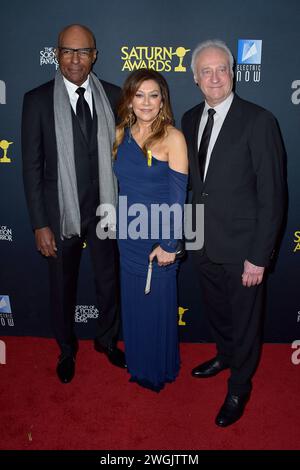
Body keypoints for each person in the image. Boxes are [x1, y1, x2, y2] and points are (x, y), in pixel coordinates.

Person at [181, 40, 285, 426]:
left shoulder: (259, 121)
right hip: (203, 242)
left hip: (244, 248)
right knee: (218, 313)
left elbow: (272, 196)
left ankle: (240, 385)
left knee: (244, 320)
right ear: (195, 79)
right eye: (205, 71)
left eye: (221, 69)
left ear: (233, 73)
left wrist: (259, 255)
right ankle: (225, 356)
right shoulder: (190, 119)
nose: (214, 78)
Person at [22, 24, 126, 384]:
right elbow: (32, 168)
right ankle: (66, 349)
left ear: (94, 56)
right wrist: (39, 223)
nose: (75, 59)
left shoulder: (114, 96)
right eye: (68, 51)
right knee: (62, 287)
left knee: (108, 282)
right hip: (59, 213)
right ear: (56, 54)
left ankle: (108, 340)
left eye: (83, 52)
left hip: (104, 211)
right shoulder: (36, 101)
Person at [113, 69, 188, 391]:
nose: (146, 102)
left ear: (162, 101)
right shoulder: (120, 134)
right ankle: (139, 361)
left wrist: (170, 244)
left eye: (153, 95)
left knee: (157, 307)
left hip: (159, 241)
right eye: (139, 94)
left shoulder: (173, 137)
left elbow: (177, 197)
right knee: (134, 304)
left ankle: (158, 368)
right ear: (129, 100)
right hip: (127, 239)